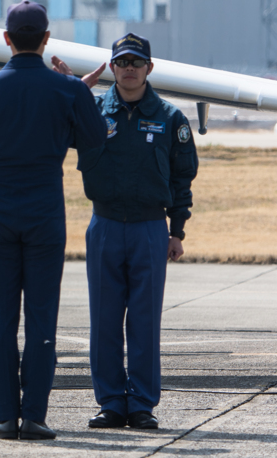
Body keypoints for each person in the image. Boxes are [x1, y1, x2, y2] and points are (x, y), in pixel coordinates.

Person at [0, 0, 106, 441]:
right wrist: (76, 92)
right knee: (42, 320)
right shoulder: (67, 90)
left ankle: (4, 418)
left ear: (5, 38)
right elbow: (95, 139)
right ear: (45, 39)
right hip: (44, 211)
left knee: (0, 321)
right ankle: (35, 416)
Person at [52, 33, 198, 431]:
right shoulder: (93, 111)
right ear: (112, 68)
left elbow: (183, 177)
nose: (129, 69)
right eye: (122, 62)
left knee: (145, 321)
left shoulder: (171, 118)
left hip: (151, 227)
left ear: (149, 68)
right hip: (105, 226)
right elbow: (54, 135)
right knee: (104, 319)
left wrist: (177, 230)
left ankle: (142, 404)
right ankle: (112, 402)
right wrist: (71, 94)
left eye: (136, 62)